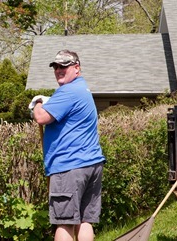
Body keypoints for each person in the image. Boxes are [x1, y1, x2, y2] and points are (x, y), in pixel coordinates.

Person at [28, 50, 105, 241]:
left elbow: (41, 117)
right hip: (92, 164)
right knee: (85, 220)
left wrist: (37, 102)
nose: (59, 70)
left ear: (76, 68)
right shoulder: (82, 88)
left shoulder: (68, 91)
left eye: (64, 66)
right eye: (56, 67)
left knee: (65, 222)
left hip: (69, 166)